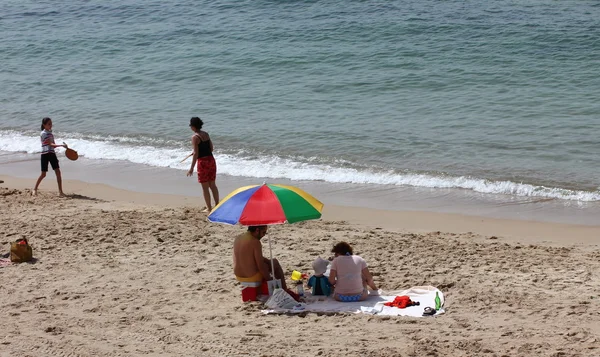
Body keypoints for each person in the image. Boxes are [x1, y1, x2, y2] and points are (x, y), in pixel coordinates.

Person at [232, 225, 288, 290]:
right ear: (257, 230)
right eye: (263, 232)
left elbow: (249, 256)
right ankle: (284, 290)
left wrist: (268, 261)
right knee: (274, 263)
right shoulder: (255, 242)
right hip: (251, 277)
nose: (264, 235)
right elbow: (261, 266)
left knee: (269, 262)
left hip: (238, 276)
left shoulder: (238, 238)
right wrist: (270, 281)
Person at [186, 116, 219, 212]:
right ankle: (217, 205)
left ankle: (209, 208)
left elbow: (196, 153)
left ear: (193, 126)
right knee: (213, 185)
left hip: (203, 162)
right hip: (211, 160)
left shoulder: (195, 137)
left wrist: (191, 168)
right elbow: (211, 148)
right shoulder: (206, 134)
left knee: (205, 187)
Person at [33, 117, 68, 197]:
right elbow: (50, 144)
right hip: (45, 154)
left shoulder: (51, 134)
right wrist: (61, 145)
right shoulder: (43, 133)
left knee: (58, 172)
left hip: (52, 154)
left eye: (51, 124)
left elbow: (53, 146)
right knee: (43, 174)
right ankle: (34, 189)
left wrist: (62, 147)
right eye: (49, 124)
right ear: (44, 125)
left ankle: (60, 192)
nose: (51, 125)